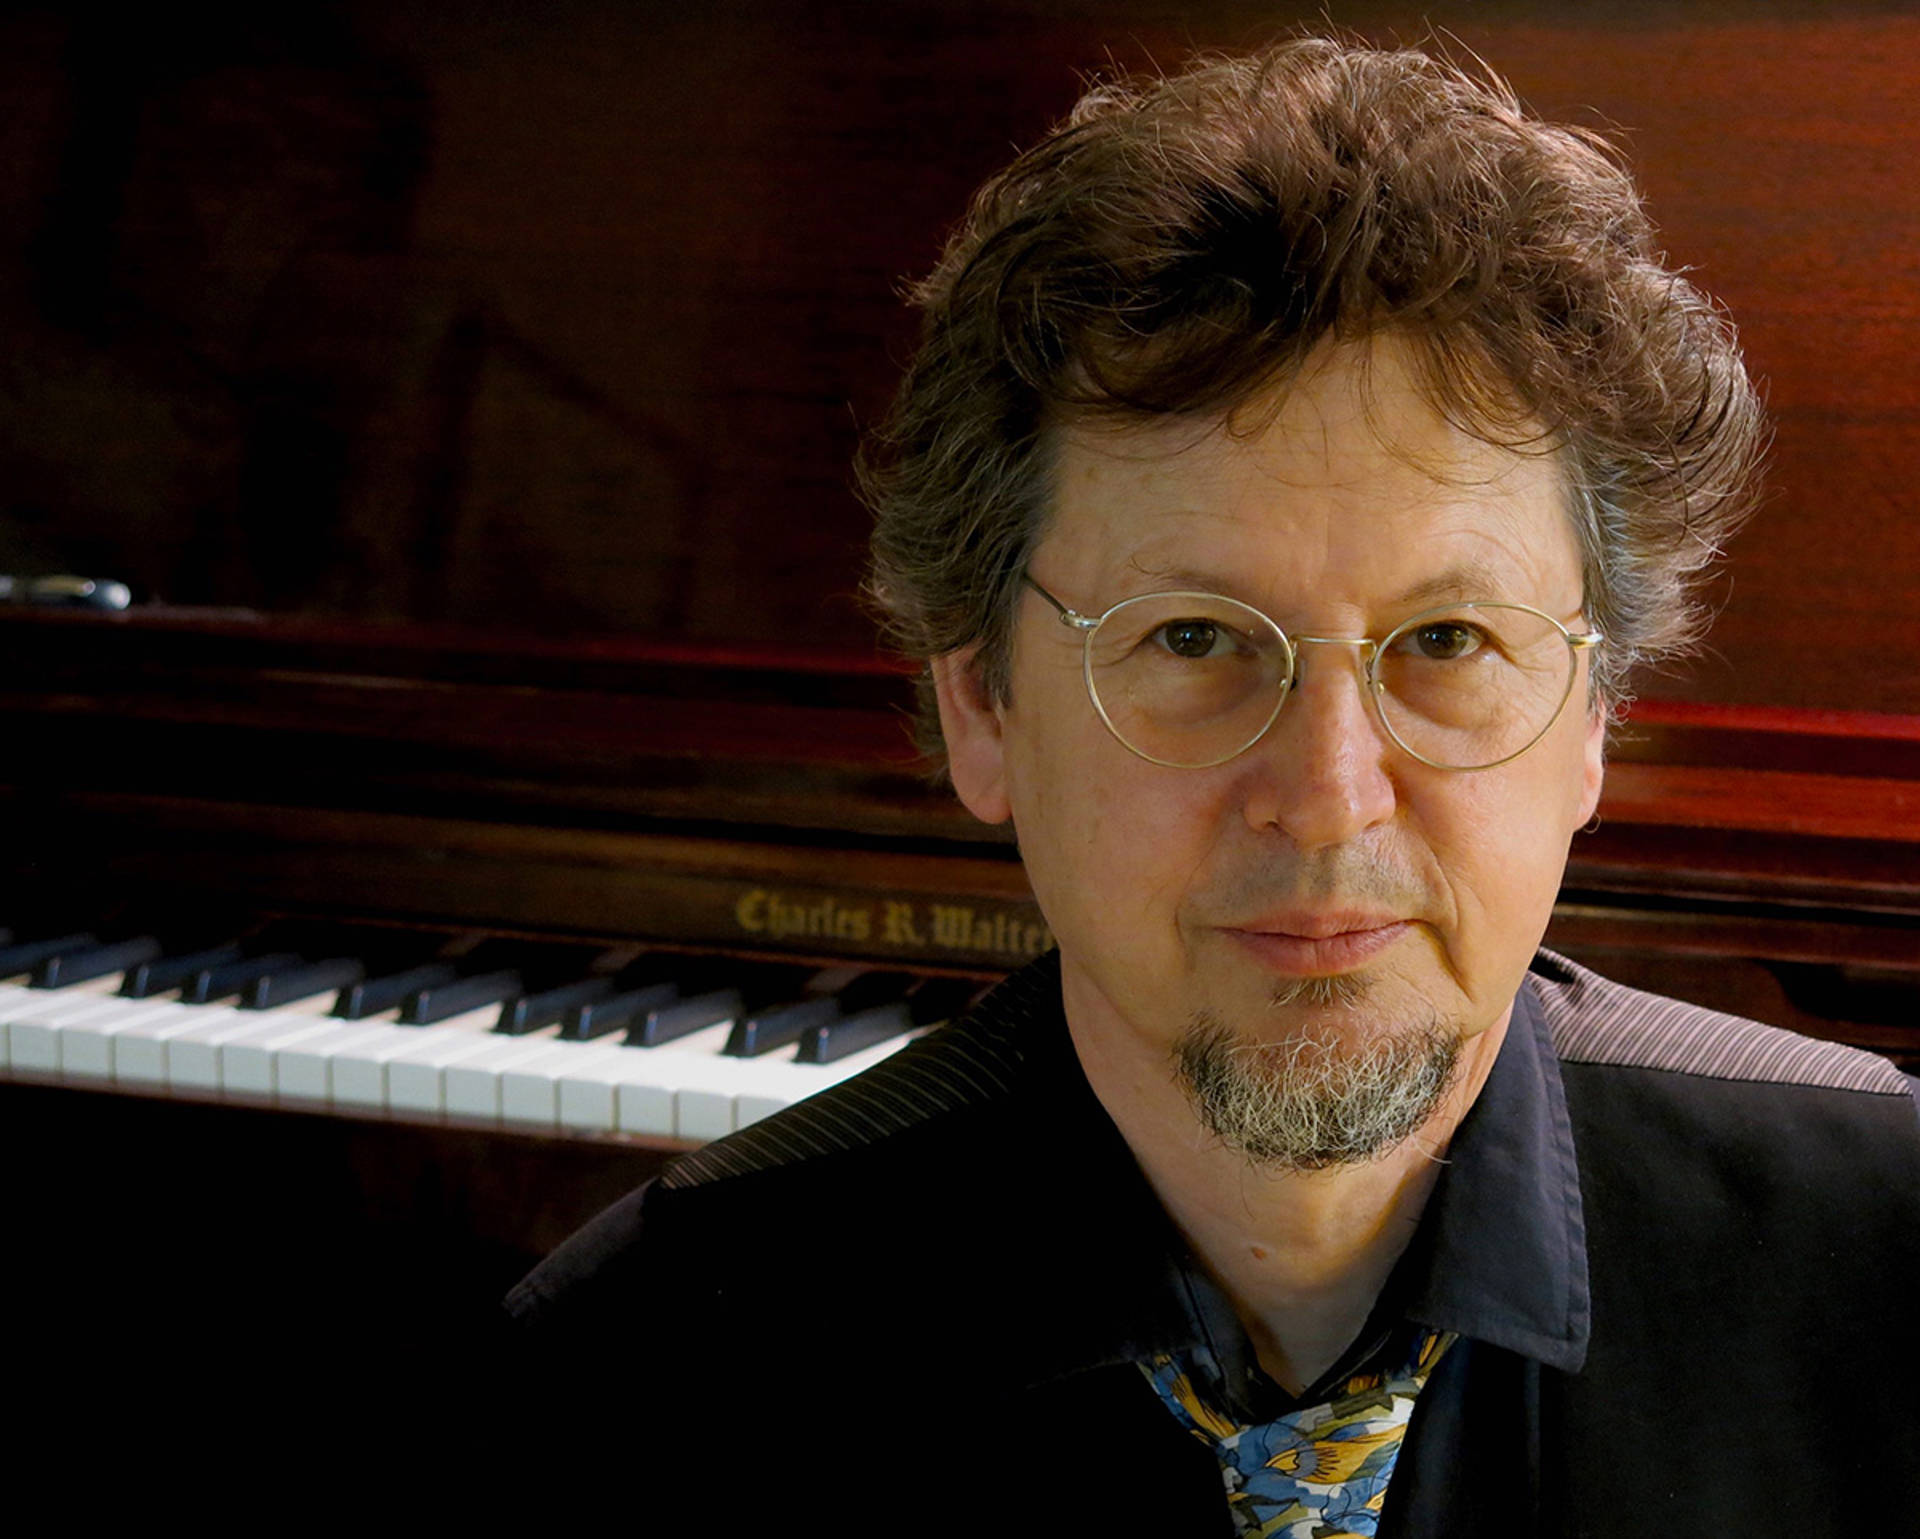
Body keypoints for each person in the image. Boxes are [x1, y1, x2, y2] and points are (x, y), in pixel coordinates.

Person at [506, 39, 1919, 1535]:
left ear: (1593, 717)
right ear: (979, 702)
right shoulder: (644, 1372)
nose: (1327, 796)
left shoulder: (1889, 1265)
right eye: (1193, 640)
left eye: (1448, 641)